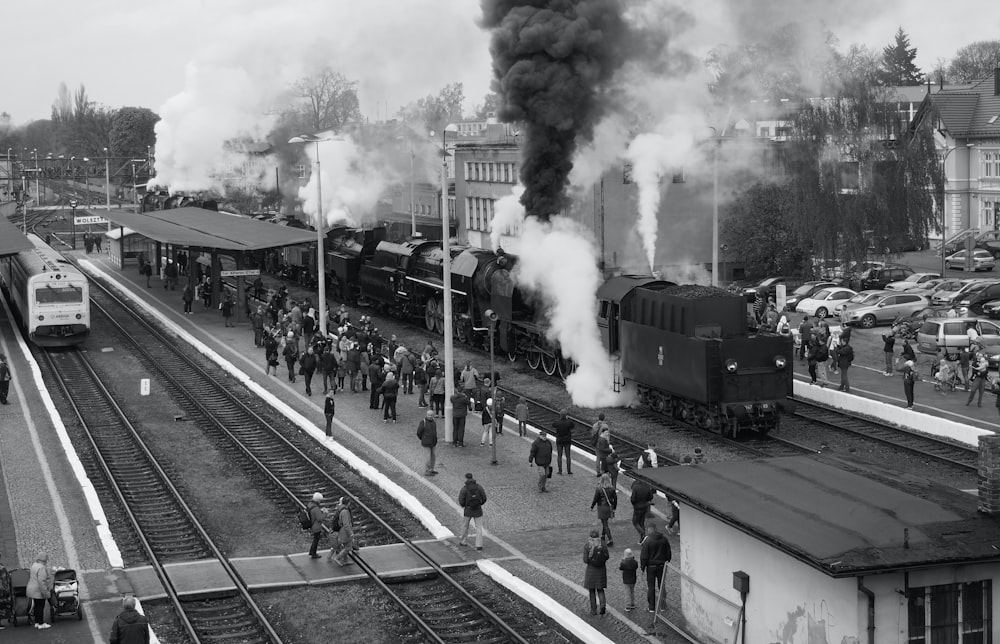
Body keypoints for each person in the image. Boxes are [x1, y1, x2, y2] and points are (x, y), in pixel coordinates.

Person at [640, 524, 672, 613]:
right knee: (662, 586)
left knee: (651, 587)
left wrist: (642, 567)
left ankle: (651, 607)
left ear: (650, 530)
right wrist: (667, 561)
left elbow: (644, 556)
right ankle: (663, 606)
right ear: (656, 529)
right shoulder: (664, 539)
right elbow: (668, 552)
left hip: (651, 567)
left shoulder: (648, 541)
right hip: (662, 566)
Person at [583, 528, 610, 616]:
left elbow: (585, 560)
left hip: (591, 570)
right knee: (600, 589)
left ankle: (593, 610)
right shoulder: (603, 544)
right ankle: (602, 606)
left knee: (592, 591)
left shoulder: (587, 546)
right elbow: (607, 556)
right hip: (601, 570)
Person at [458, 473, 487, 551]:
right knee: (479, 528)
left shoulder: (464, 489)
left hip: (468, 510)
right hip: (478, 510)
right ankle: (479, 545)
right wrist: (480, 504)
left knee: (465, 526)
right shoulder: (479, 487)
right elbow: (484, 498)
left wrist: (465, 505)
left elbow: (461, 500)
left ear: (466, 478)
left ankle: (463, 541)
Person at [590, 473, 618, 547]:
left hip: (601, 507)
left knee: (605, 523)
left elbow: (595, 498)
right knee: (605, 521)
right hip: (609, 507)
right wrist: (614, 508)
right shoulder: (612, 488)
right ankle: (603, 535)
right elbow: (615, 499)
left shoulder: (599, 488)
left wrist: (592, 506)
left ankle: (610, 539)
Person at [328, 497, 357, 566]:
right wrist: (350, 533)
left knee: (345, 545)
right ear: (348, 503)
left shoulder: (341, 509)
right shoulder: (345, 511)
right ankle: (337, 558)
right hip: (345, 531)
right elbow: (346, 524)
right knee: (348, 547)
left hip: (342, 530)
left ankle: (345, 560)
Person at [26, 551, 51, 629]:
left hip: (31, 589)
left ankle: (37, 622)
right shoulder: (42, 568)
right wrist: (45, 592)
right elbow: (42, 581)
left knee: (36, 606)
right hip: (38, 590)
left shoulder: (34, 565)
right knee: (40, 606)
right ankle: (41, 623)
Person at [306, 492, 328, 559]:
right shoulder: (316, 508)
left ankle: (311, 551)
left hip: (312, 524)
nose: (320, 501)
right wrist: (325, 513)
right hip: (316, 526)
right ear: (318, 500)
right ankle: (314, 554)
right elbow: (319, 518)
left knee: (315, 539)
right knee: (316, 540)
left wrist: (320, 511)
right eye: (320, 500)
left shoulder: (310, 504)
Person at [553, 409, 575, 475]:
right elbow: (573, 425)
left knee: (559, 455)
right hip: (567, 440)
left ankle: (560, 470)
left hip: (559, 440)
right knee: (568, 456)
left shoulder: (557, 422)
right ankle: (569, 470)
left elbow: (553, 424)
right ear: (566, 415)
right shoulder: (569, 422)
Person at [417, 410, 438, 476]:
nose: (430, 416)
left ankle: (431, 469)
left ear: (433, 415)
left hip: (433, 442)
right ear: (426, 415)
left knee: (433, 456)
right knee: (428, 457)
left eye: (431, 415)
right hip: (426, 442)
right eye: (429, 415)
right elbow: (418, 432)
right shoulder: (423, 422)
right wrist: (423, 438)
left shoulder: (433, 422)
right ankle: (427, 470)